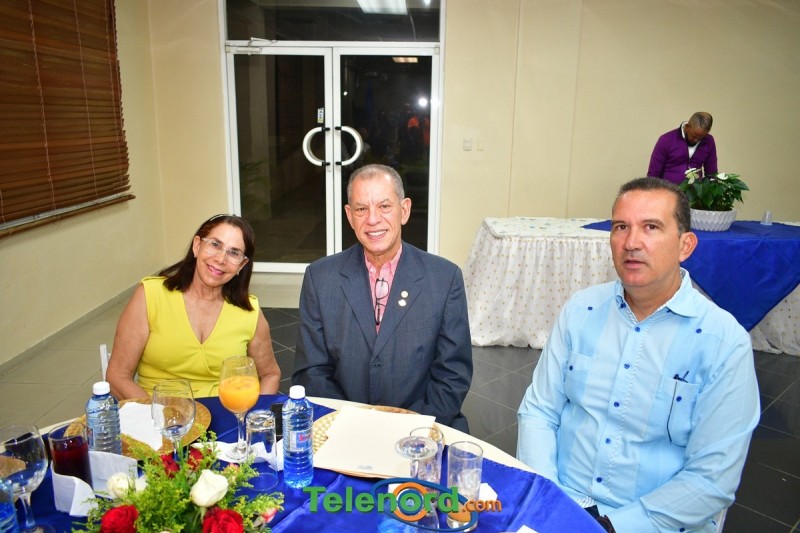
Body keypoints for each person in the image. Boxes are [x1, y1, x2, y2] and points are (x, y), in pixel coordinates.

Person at [517, 177, 759, 532]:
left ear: (685, 245)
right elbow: (539, 411)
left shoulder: (723, 343)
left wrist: (612, 526)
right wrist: (547, 501)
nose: (631, 242)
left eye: (651, 227)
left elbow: (712, 479)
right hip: (561, 502)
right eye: (621, 227)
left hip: (651, 523)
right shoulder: (581, 310)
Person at [292, 164, 473, 432]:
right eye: (361, 209)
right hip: (343, 427)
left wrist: (407, 431)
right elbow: (311, 372)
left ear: (405, 210)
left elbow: (452, 375)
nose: (373, 219)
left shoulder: (444, 279)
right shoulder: (320, 278)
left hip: (422, 429)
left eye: (384, 206)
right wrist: (352, 425)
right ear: (349, 216)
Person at [107, 214, 281, 399]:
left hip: (226, 411)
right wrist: (155, 412)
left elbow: (270, 374)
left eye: (234, 253)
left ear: (241, 265)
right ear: (197, 246)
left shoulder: (249, 311)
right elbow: (117, 376)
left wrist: (253, 413)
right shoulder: (150, 295)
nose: (221, 259)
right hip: (157, 411)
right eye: (215, 244)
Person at [647, 112, 717, 184]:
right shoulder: (666, 140)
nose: (696, 140)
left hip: (695, 190)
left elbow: (712, 173)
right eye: (694, 136)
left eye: (701, 138)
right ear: (687, 127)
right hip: (668, 189)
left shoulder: (709, 141)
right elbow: (653, 174)